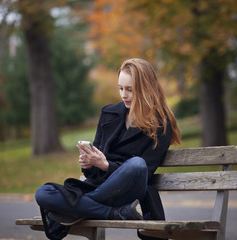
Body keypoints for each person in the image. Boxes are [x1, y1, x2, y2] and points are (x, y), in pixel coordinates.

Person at [35, 58, 181, 239]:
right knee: (42, 193)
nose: (124, 95)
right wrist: (89, 164)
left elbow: (145, 172)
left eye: (129, 90)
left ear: (145, 89)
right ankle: (113, 213)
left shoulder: (160, 126)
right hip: (101, 188)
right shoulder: (109, 114)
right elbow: (92, 175)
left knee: (137, 164)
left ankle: (77, 209)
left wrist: (105, 165)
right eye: (120, 88)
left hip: (128, 192)